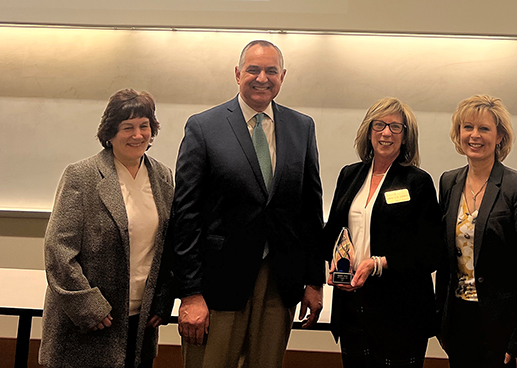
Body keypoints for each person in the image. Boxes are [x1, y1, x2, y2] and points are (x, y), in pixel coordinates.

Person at [168, 40, 324, 368]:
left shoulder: (302, 127)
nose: (261, 78)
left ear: (282, 76)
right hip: (217, 284)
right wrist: (190, 293)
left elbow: (310, 208)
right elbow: (185, 214)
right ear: (238, 74)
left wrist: (314, 281)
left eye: (271, 71)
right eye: (253, 70)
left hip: (279, 283)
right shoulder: (204, 127)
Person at [39, 89, 174, 368]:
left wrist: (162, 300)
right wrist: (90, 308)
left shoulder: (162, 176)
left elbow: (167, 245)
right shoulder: (82, 176)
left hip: (141, 320)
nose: (138, 135)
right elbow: (58, 250)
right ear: (110, 133)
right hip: (90, 324)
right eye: (127, 127)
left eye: (144, 126)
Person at [322, 97, 444, 368]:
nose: (386, 133)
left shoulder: (417, 182)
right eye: (379, 125)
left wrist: (379, 264)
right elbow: (333, 233)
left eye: (395, 127)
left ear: (406, 136)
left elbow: (430, 251)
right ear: (368, 131)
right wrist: (333, 262)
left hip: (400, 312)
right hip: (353, 305)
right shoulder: (350, 175)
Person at [436, 95, 517, 368]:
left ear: (500, 136)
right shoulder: (449, 182)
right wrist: (441, 320)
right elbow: (445, 259)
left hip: (507, 325)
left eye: (484, 129)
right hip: (459, 322)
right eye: (468, 127)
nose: (474, 136)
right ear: (458, 133)